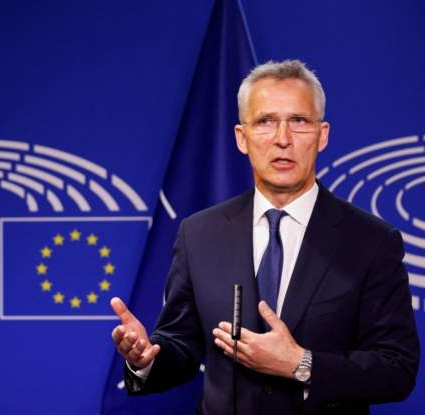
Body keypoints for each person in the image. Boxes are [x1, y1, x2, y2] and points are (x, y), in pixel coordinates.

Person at [110, 59, 420, 414]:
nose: (282, 139)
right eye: (265, 122)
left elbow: (397, 368)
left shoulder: (371, 241)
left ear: (322, 135)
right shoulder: (199, 233)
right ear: (242, 137)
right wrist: (146, 358)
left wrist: (301, 363)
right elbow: (181, 344)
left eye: (299, 121)